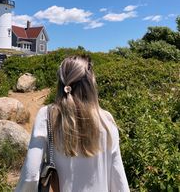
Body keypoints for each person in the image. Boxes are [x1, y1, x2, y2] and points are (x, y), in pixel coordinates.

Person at [15, 55, 130, 192]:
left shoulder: (47, 115)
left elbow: (31, 174)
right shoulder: (106, 119)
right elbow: (118, 177)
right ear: (91, 82)